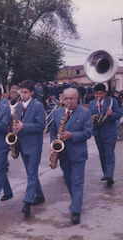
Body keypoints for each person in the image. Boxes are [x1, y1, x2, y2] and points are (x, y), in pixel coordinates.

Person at [50, 87, 93, 224]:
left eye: (71, 98)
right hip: (62, 154)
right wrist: (53, 145)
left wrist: (71, 135)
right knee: (68, 180)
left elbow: (88, 132)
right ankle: (76, 201)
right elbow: (52, 131)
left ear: (77, 98)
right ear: (61, 98)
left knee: (77, 181)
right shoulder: (57, 113)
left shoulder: (85, 112)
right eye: (65, 98)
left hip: (78, 154)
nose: (68, 101)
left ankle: (75, 210)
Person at [14, 80, 46, 215]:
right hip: (22, 145)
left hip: (34, 146)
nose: (23, 95)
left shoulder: (38, 106)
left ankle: (27, 202)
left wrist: (24, 126)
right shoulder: (18, 106)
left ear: (32, 92)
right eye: (21, 92)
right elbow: (16, 124)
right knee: (30, 173)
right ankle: (40, 195)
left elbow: (41, 125)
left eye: (26, 92)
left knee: (31, 173)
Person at [88, 84, 121, 187]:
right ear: (94, 93)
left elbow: (119, 114)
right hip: (98, 133)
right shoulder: (91, 104)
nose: (99, 95)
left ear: (105, 93)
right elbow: (88, 118)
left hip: (110, 133)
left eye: (101, 93)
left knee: (109, 153)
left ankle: (109, 175)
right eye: (96, 93)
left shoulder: (112, 101)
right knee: (102, 154)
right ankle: (106, 173)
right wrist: (91, 118)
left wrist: (112, 114)